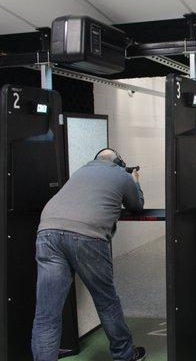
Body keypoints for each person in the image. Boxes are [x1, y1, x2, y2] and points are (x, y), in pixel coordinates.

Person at [31, 148, 146, 361]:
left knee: (47, 315)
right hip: (86, 236)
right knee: (107, 302)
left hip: (47, 232)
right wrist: (135, 180)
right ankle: (124, 355)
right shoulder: (122, 174)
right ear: (119, 162)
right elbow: (137, 206)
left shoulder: (80, 172)